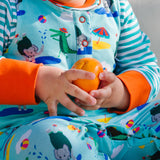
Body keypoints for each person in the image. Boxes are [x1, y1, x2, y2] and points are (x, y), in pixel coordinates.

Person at [0, 0, 160, 159]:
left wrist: (119, 92)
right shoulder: (10, 6)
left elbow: (146, 67)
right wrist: (39, 81)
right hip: (36, 129)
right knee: (47, 140)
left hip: (118, 125)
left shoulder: (114, 6)